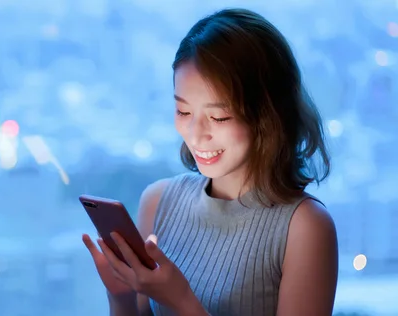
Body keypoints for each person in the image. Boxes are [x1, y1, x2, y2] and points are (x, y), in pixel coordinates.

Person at [81, 8, 338, 316]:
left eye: (218, 116)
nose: (196, 134)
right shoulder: (158, 202)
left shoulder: (305, 227)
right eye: (184, 112)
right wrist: (120, 296)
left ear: (268, 117)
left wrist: (182, 301)